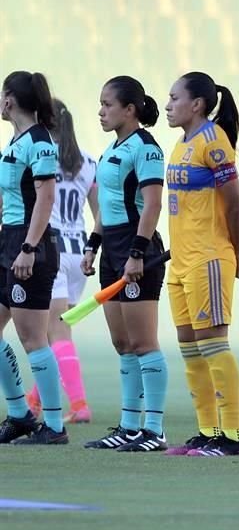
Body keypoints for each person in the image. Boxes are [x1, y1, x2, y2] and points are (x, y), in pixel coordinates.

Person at [163, 72, 239, 457]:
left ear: (196, 104)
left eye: (174, 98)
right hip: (180, 261)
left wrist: (233, 251)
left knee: (214, 345)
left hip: (208, 258)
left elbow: (234, 203)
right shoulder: (181, 143)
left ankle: (231, 436)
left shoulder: (214, 142)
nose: (167, 105)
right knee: (190, 348)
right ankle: (207, 430)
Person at [82, 76, 168, 452]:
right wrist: (92, 246)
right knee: (122, 343)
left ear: (129, 110)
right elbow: (106, 209)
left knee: (143, 342)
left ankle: (154, 430)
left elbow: (152, 205)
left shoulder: (146, 148)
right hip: (112, 251)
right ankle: (129, 425)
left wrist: (137, 253)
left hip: (138, 250)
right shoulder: (109, 151)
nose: (101, 111)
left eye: (107, 104)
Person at [0, 71, 66, 445]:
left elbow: (45, 198)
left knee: (33, 338)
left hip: (30, 246)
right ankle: (20, 415)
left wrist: (28, 247)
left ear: (9, 100)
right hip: (8, 242)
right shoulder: (14, 141)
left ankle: (55, 426)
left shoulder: (40, 142)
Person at [24, 99, 98, 424]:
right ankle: (33, 401)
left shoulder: (39, 157)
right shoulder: (88, 163)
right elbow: (101, 215)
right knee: (56, 332)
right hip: (78, 251)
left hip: (49, 250)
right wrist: (93, 249)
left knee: (54, 333)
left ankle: (80, 405)